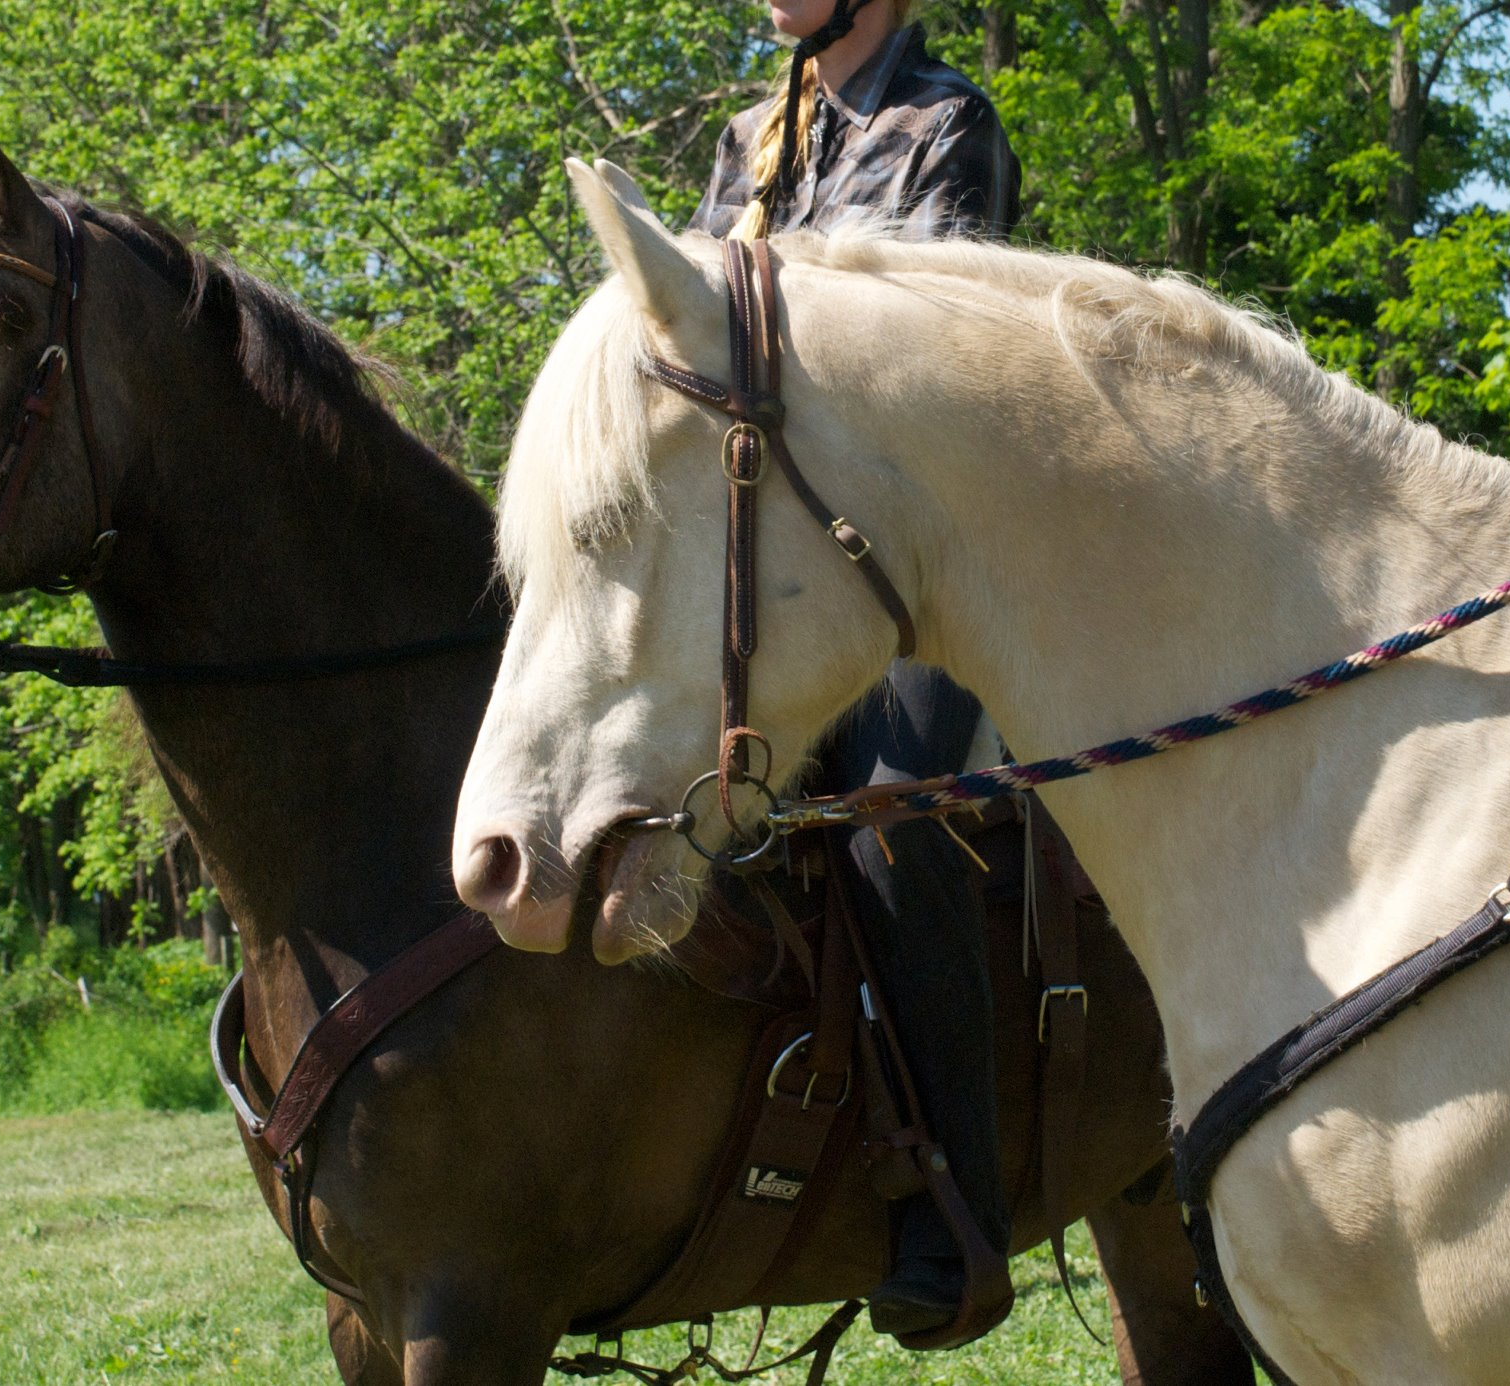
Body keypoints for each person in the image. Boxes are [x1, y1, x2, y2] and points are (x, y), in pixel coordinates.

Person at [690, 0, 1022, 1342]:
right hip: (768, 560)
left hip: (922, 575)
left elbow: (923, 368)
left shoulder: (947, 124)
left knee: (893, 824)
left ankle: (959, 1208)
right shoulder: (746, 141)